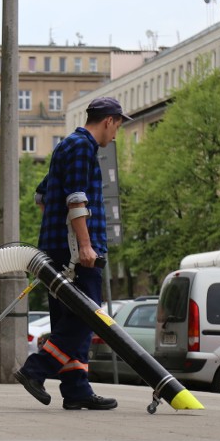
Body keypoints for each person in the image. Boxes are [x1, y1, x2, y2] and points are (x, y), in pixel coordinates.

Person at [14, 97, 131, 410]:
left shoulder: (65, 147)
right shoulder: (82, 147)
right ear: (109, 120)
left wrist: (55, 226)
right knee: (87, 316)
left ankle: (77, 388)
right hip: (75, 254)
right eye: (118, 125)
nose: (116, 133)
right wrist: (84, 243)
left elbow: (42, 194)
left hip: (56, 249)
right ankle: (35, 369)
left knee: (69, 321)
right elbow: (77, 199)